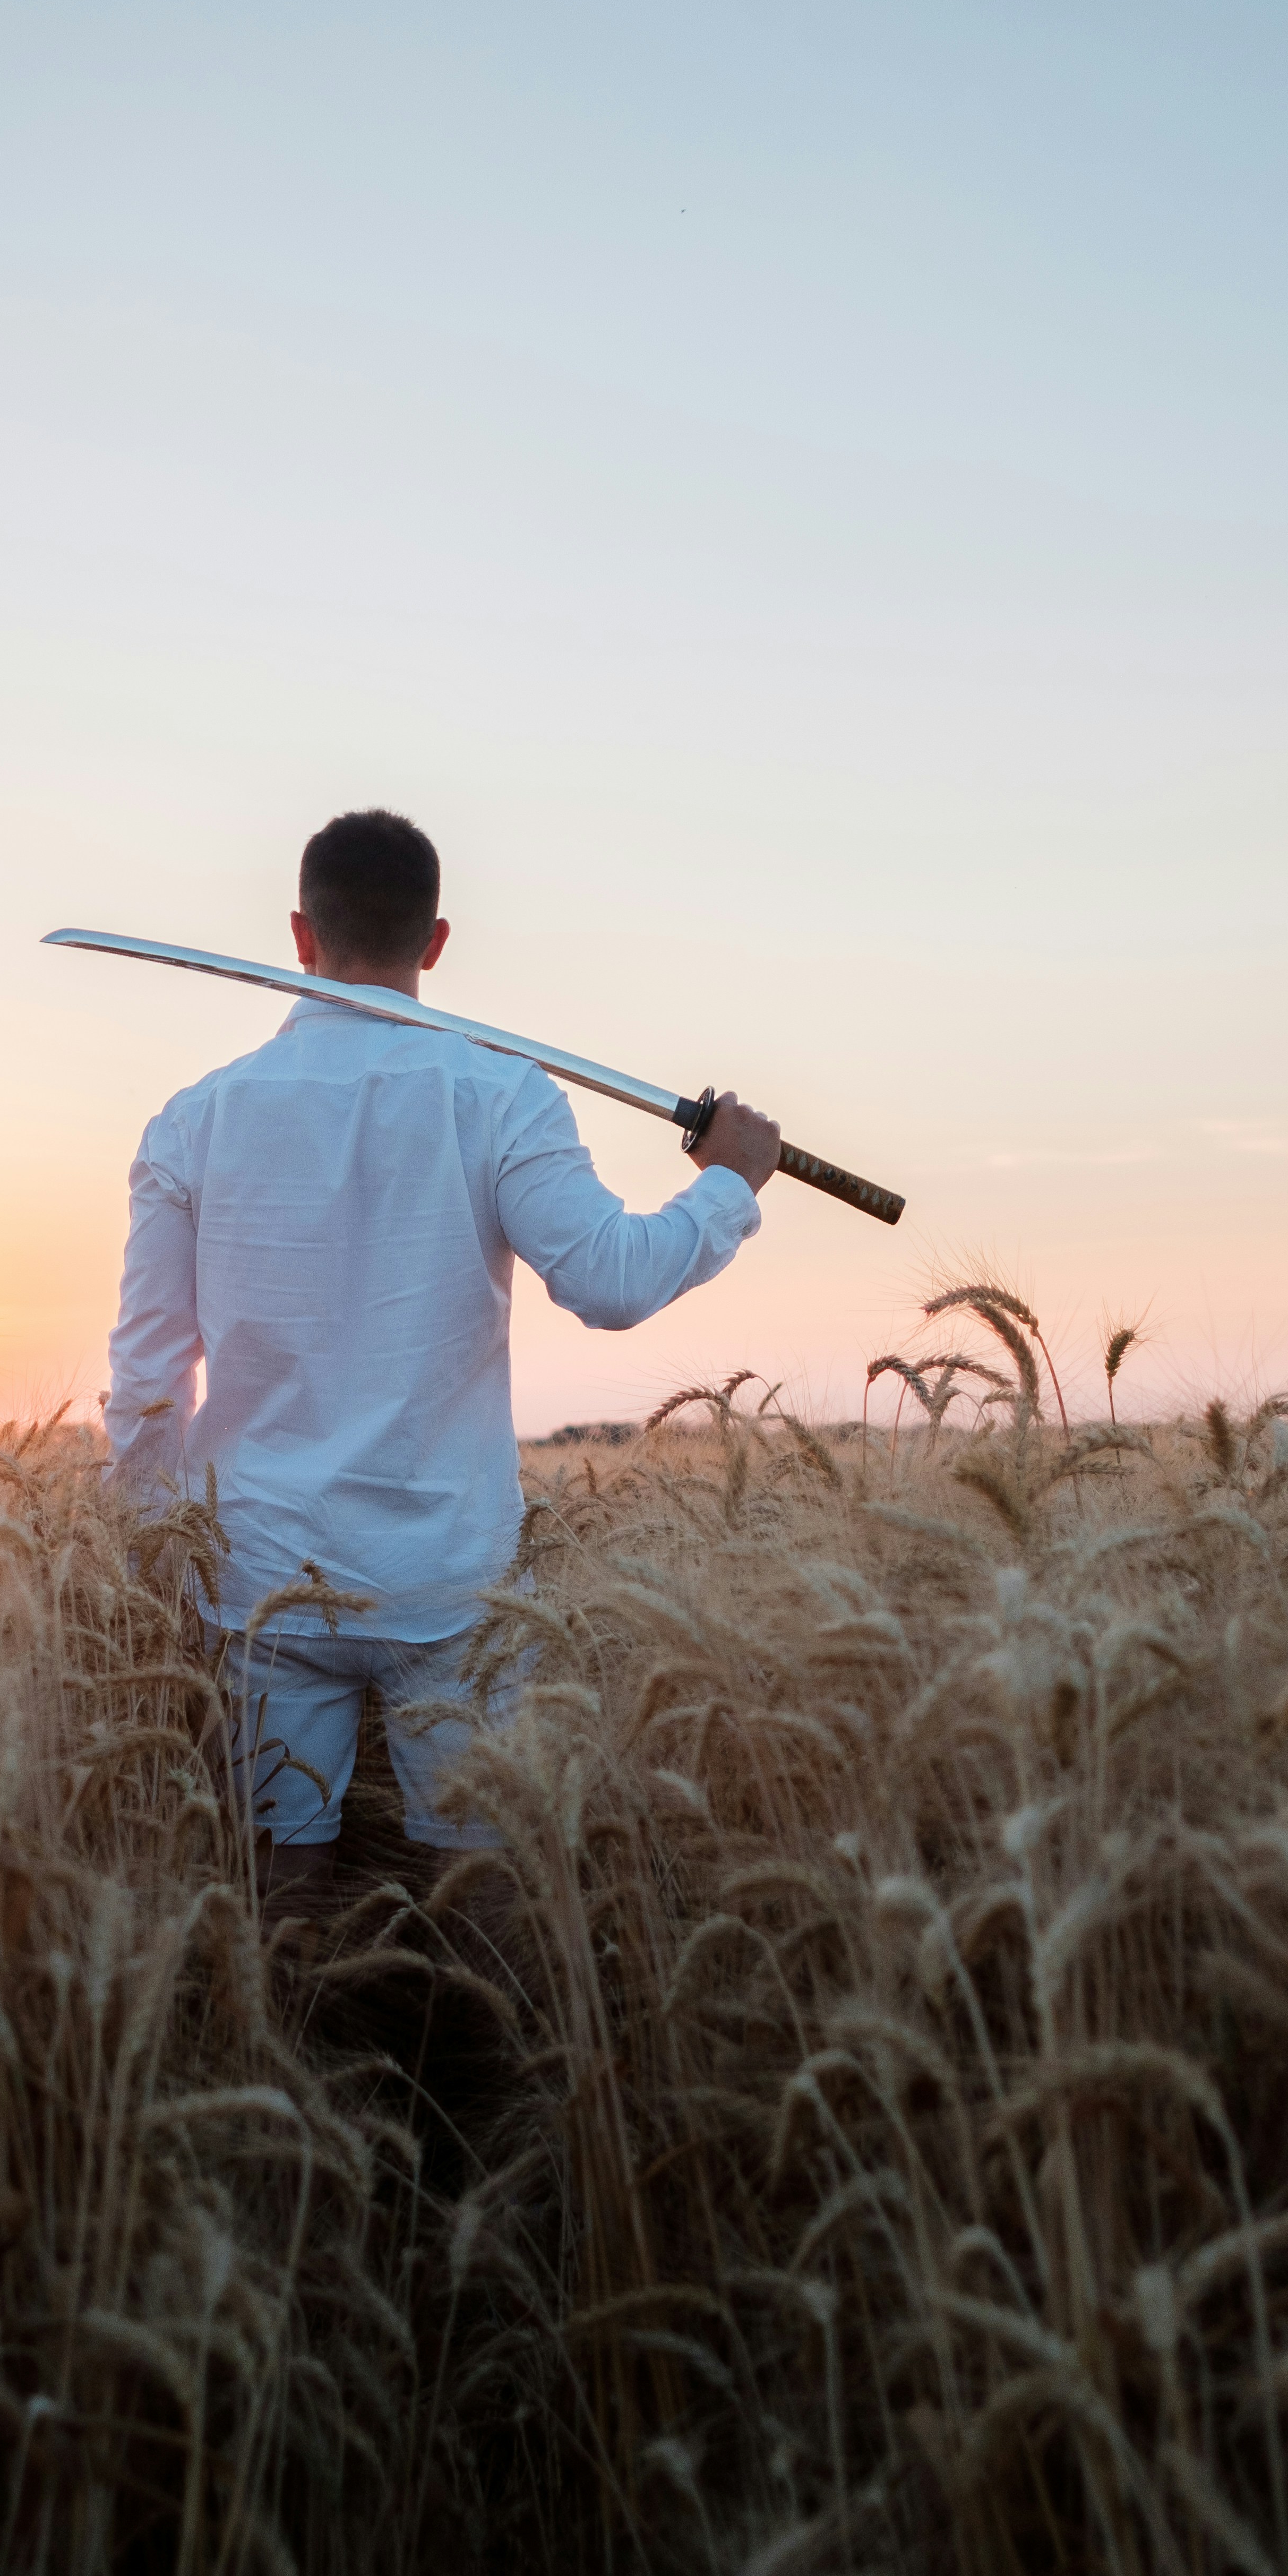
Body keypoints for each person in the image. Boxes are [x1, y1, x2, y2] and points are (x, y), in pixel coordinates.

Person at [103, 808, 782, 1890]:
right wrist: (726, 1185)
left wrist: (153, 1555)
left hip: (261, 1572)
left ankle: (291, 2007)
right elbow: (611, 1280)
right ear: (435, 940)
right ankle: (488, 2010)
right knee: (481, 1879)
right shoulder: (502, 1094)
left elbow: (147, 1373)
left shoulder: (193, 1121)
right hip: (450, 1579)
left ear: (298, 933)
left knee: (281, 1879)